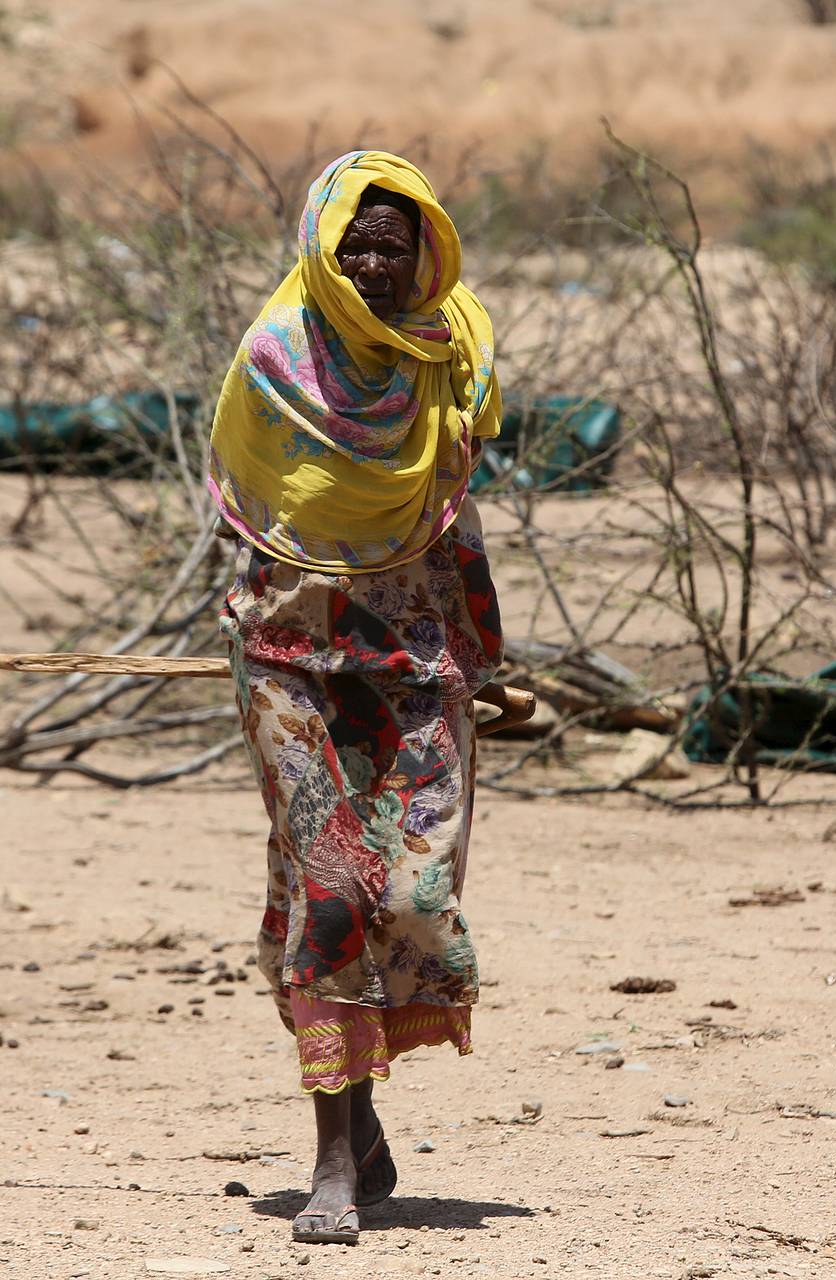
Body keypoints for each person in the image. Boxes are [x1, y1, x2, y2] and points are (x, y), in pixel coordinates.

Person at [208, 150, 504, 1245]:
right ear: (322, 246)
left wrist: (488, 648)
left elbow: (461, 516)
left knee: (415, 893)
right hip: (288, 654)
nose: (375, 261)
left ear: (423, 246)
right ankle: (333, 1156)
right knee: (334, 880)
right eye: (355, 241)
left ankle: (364, 1111)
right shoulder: (274, 359)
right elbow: (248, 509)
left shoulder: (451, 352)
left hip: (418, 659)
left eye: (395, 240)